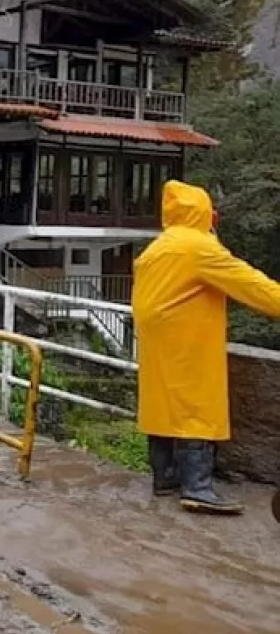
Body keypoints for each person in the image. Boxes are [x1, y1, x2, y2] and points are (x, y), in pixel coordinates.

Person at [133, 180, 280, 515]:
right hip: (188, 341)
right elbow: (251, 284)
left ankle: (165, 477)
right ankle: (197, 487)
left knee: (163, 404)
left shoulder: (157, 248)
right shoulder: (199, 247)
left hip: (157, 342)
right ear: (204, 214)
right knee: (195, 406)